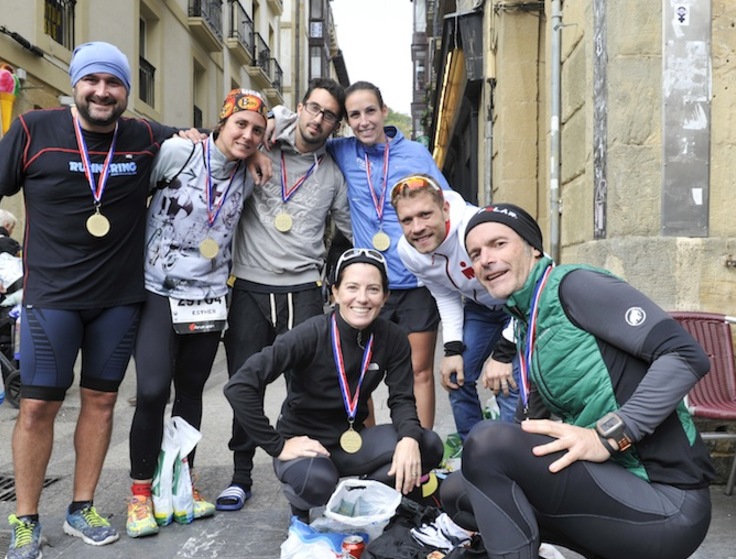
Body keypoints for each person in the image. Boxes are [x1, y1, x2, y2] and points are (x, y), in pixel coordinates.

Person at [0, 41, 191, 559]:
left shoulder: (146, 137)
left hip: (118, 300)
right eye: (93, 81)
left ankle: (81, 506)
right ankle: (25, 517)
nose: (102, 92)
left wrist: (265, 144)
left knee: (102, 403)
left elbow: (220, 141)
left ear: (127, 92)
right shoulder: (33, 130)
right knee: (39, 406)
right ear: (76, 86)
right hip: (53, 298)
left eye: (114, 83)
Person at [440, 205, 716, 559]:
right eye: (475, 253)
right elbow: (526, 436)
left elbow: (685, 354)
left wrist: (608, 436)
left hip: (669, 506)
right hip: (619, 486)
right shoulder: (529, 319)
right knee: (461, 493)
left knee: (486, 442)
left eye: (498, 244)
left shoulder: (575, 286)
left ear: (533, 249)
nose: (486, 259)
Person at [125, 88, 269, 537]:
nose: (247, 135)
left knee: (190, 394)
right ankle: (140, 494)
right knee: (151, 391)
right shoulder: (178, 152)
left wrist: (260, 150)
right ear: (221, 123)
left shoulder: (247, 173)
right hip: (157, 291)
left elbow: (285, 118)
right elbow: (133, 198)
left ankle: (180, 482)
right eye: (240, 124)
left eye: (257, 130)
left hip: (208, 297)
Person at [271, 81, 448, 430]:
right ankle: (369, 451)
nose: (364, 120)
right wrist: (270, 124)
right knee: (360, 370)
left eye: (370, 111)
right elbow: (305, 124)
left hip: (415, 280)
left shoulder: (415, 154)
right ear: (347, 122)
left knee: (418, 370)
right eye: (355, 115)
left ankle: (422, 452)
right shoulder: (342, 150)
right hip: (369, 284)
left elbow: (448, 204)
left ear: (384, 111)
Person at [222, 248, 443, 523]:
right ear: (335, 292)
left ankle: (361, 497)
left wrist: (409, 438)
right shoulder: (309, 334)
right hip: (306, 447)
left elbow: (401, 399)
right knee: (317, 483)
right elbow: (239, 387)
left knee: (428, 445)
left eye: (373, 289)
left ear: (385, 297)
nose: (362, 298)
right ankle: (302, 510)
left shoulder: (393, 337)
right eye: (352, 287)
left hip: (353, 441)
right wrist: (277, 445)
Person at [216, 78, 351, 513]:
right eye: (313, 108)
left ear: (336, 124)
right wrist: (260, 137)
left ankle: (306, 469)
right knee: (246, 379)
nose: (317, 119)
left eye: (329, 115)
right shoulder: (263, 142)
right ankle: (240, 475)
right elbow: (227, 141)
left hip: (304, 290)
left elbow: (349, 232)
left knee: (307, 387)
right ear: (299, 107)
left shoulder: (332, 174)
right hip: (250, 285)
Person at [391, 174, 520, 440]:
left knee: (507, 384)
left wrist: (504, 353)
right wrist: (452, 349)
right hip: (481, 309)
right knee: (456, 377)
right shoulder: (408, 251)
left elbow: (533, 281)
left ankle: (512, 458)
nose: (417, 228)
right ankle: (473, 452)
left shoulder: (476, 227)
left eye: (425, 214)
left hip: (520, 306)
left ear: (445, 209)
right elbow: (444, 293)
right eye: (407, 220)